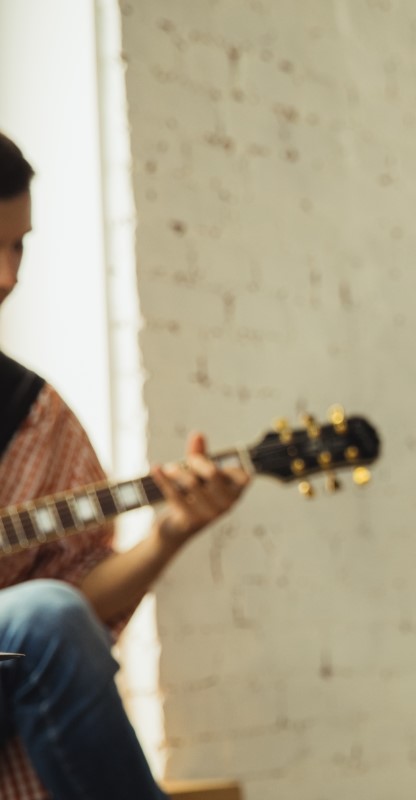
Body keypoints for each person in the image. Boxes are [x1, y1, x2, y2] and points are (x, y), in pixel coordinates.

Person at [0, 131, 251, 798]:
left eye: (18, 246)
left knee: (48, 619)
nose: (7, 276)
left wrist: (171, 532)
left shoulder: (33, 415)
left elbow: (62, 611)